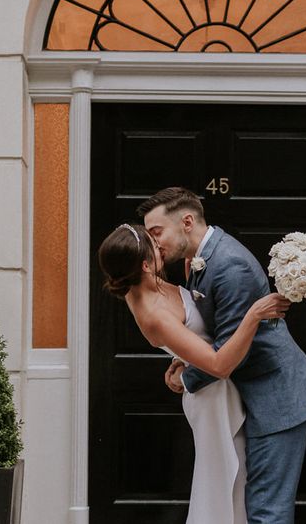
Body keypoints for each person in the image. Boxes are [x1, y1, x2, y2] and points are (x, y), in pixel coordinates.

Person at [138, 187, 306, 524]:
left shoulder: (230, 266)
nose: (155, 245)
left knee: (266, 509)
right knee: (251, 502)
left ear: (186, 222)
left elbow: (232, 355)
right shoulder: (196, 260)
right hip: (253, 395)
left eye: (157, 233)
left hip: (279, 397)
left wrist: (187, 377)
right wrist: (183, 359)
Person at [98, 222, 291, 524]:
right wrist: (254, 315)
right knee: (221, 482)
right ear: (146, 265)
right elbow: (217, 365)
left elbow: (192, 341)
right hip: (211, 396)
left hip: (221, 389)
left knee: (237, 477)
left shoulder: (147, 283)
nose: (160, 244)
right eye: (153, 242)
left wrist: (180, 361)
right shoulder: (154, 314)